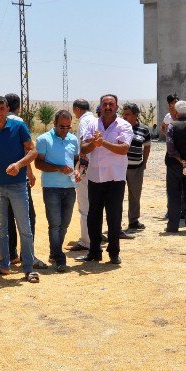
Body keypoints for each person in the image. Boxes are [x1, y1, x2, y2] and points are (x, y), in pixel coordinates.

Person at [0, 95, 40, 281]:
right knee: (0, 227)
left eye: (2, 108)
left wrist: (19, 165)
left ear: (7, 110)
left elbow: (33, 150)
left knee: (24, 226)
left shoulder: (19, 127)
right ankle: (4, 264)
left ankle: (28, 267)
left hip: (18, 184)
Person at [80, 94, 133, 264]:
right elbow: (83, 148)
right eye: (105, 104)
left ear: (117, 107)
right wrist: (92, 145)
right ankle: (94, 251)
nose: (108, 107)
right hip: (95, 177)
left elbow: (124, 149)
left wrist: (102, 143)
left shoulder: (124, 125)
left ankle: (114, 252)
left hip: (115, 178)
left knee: (114, 216)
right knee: (93, 216)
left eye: (111, 104)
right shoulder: (92, 124)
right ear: (100, 106)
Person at [34, 109, 80, 272]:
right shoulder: (43, 139)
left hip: (69, 188)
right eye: (62, 126)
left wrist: (77, 171)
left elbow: (76, 161)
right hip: (51, 187)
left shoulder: (73, 140)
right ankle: (59, 256)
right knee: (55, 224)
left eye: (68, 127)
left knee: (65, 223)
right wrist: (58, 168)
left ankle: (54, 252)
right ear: (54, 124)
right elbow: (38, 164)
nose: (65, 130)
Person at [4, 93, 44, 269]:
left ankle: (11, 254)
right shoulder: (19, 123)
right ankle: (27, 254)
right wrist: (30, 172)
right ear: (18, 106)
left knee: (8, 216)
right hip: (18, 175)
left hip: (2, 177)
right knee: (28, 216)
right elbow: (26, 150)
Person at [69, 99, 97, 252]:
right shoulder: (96, 120)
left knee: (84, 206)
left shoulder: (83, 122)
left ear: (77, 110)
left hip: (87, 169)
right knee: (96, 204)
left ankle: (86, 240)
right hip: (99, 170)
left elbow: (83, 148)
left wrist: (81, 170)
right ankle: (96, 234)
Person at [165, 100, 186, 233]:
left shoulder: (172, 126)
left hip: (174, 165)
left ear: (176, 112)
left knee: (174, 194)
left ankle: (173, 226)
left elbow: (170, 147)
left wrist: (180, 160)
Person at [122, 102, 152, 232]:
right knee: (117, 196)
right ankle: (116, 223)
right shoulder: (120, 127)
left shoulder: (144, 129)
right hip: (120, 168)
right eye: (124, 114)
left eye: (128, 114)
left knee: (135, 195)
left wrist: (144, 162)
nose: (125, 117)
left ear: (135, 115)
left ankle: (133, 221)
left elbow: (147, 146)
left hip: (136, 168)